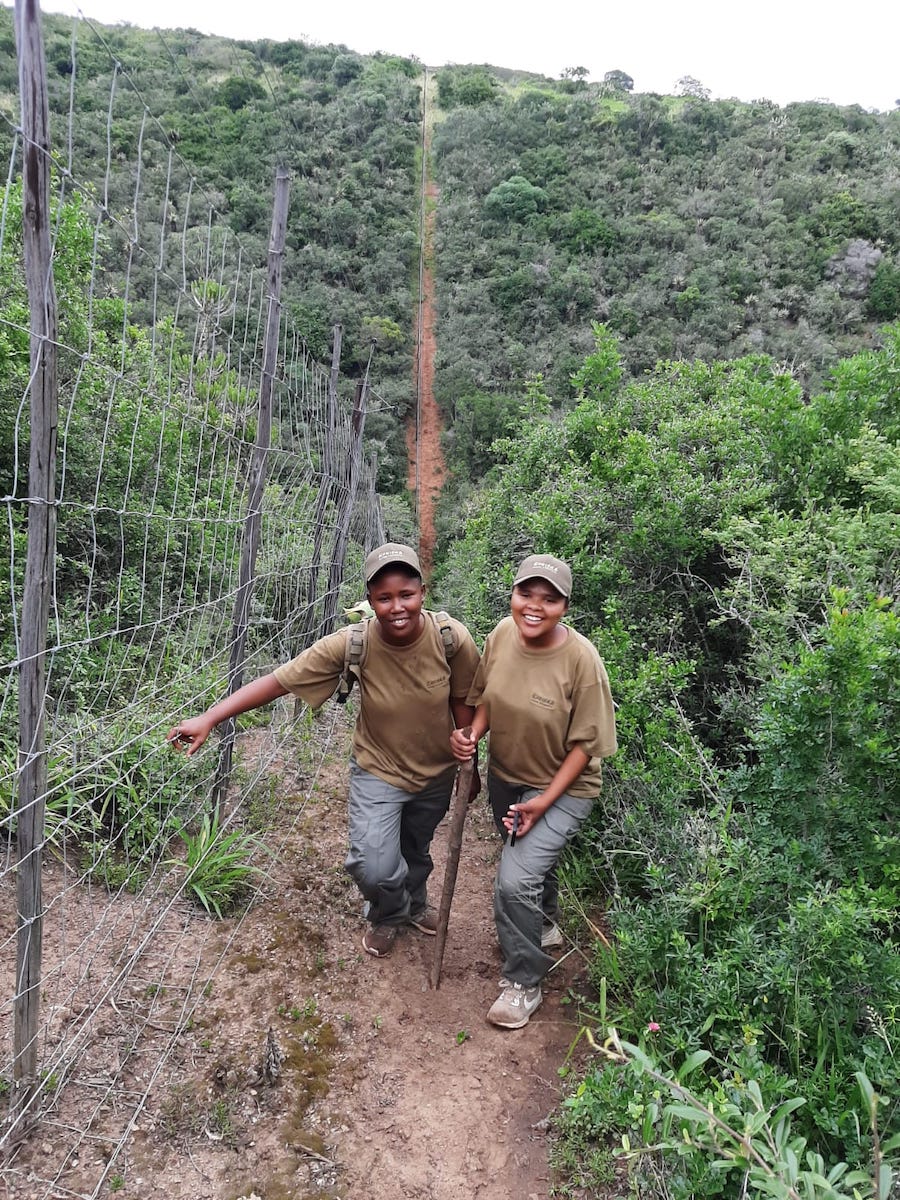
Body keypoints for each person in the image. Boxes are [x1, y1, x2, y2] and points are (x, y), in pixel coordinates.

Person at [169, 543, 481, 959]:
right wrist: (210, 717)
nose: (397, 607)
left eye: (406, 595)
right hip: (379, 769)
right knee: (372, 861)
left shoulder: (450, 638)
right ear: (370, 601)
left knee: (414, 847)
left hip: (437, 773)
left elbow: (465, 698)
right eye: (384, 598)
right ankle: (390, 913)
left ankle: (415, 905)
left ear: (423, 592)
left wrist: (469, 765)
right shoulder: (353, 643)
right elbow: (278, 682)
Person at [450, 554, 617, 1029]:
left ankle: (524, 982)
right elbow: (486, 697)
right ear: (514, 594)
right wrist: (473, 735)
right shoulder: (502, 635)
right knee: (527, 863)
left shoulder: (582, 660)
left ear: (565, 605)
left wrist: (545, 800)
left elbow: (587, 745)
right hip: (507, 777)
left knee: (513, 880)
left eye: (550, 599)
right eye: (527, 594)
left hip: (564, 788)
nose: (535, 607)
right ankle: (543, 925)